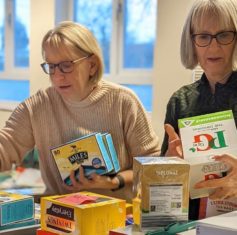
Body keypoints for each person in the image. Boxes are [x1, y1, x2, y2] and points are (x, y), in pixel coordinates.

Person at [0, 21, 160, 202]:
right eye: (51, 67)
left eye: (66, 65)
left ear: (92, 65)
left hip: (116, 217)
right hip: (59, 215)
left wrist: (115, 181)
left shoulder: (123, 101)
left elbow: (152, 166)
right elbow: (5, 147)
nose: (57, 76)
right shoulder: (37, 106)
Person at [161, 0, 237, 219]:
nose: (213, 47)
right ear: (191, 42)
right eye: (203, 37)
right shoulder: (180, 101)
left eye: (223, 35)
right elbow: (161, 188)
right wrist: (169, 165)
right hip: (190, 225)